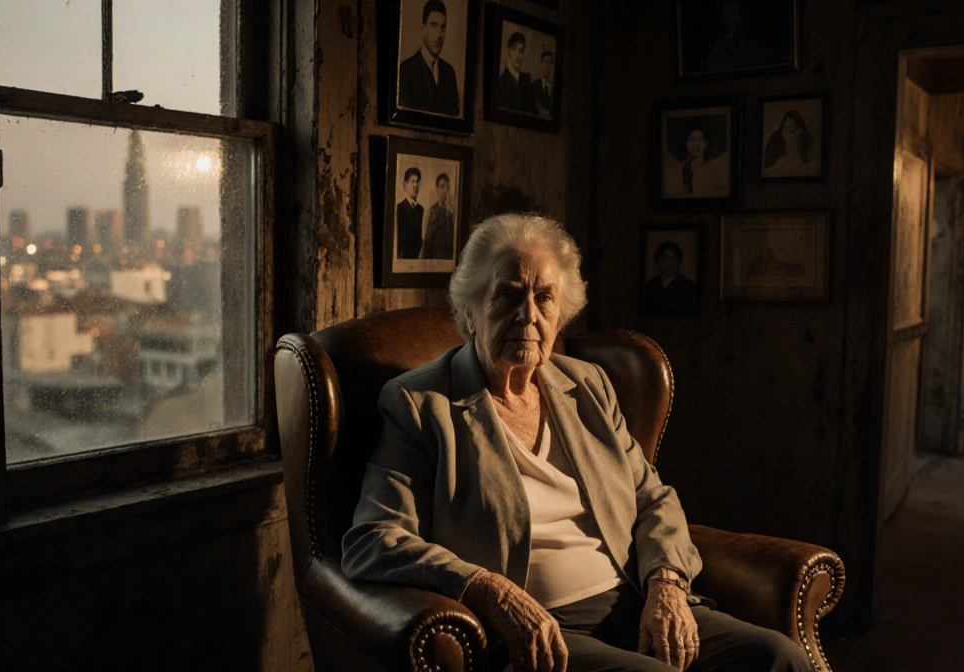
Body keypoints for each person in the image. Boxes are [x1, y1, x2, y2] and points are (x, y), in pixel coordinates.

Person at [343, 213, 813, 671]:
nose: (528, 315)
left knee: (780, 657)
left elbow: (652, 498)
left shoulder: (587, 385)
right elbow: (374, 538)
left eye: (544, 298)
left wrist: (666, 584)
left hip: (632, 598)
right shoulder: (421, 404)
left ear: (560, 313)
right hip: (541, 630)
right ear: (471, 310)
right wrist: (487, 589)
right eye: (508, 295)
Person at [398, 0, 461, 116]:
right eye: (434, 25)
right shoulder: (405, 71)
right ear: (423, 29)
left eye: (443, 27)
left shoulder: (449, 72)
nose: (439, 35)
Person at [662, 124, 728, 199]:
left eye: (700, 139)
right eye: (691, 140)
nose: (696, 144)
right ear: (685, 143)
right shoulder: (677, 171)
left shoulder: (714, 169)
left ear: (706, 143)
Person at [640, 240, 698, 316]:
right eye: (663, 258)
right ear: (657, 261)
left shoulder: (690, 288)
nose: (668, 263)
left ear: (679, 262)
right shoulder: (648, 287)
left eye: (673, 258)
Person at [762, 110, 816, 178]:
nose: (788, 134)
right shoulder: (776, 156)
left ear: (799, 132)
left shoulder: (808, 158)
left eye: (792, 131)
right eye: (785, 129)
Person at [497, 31, 535, 114]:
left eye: (521, 51)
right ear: (508, 51)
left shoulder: (526, 80)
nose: (518, 56)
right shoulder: (501, 82)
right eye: (514, 49)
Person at [420, 173, 455, 259]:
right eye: (442, 187)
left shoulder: (452, 213)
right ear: (437, 189)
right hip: (434, 258)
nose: (445, 191)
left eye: (447, 187)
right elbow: (427, 241)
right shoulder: (432, 211)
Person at [395, 167, 424, 259]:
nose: (415, 185)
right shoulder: (399, 208)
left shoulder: (420, 209)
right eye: (412, 182)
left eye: (417, 182)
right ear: (405, 185)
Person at [533, 50, 555, 118]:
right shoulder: (534, 85)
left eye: (550, 63)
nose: (548, 66)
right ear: (541, 64)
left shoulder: (556, 87)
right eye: (545, 62)